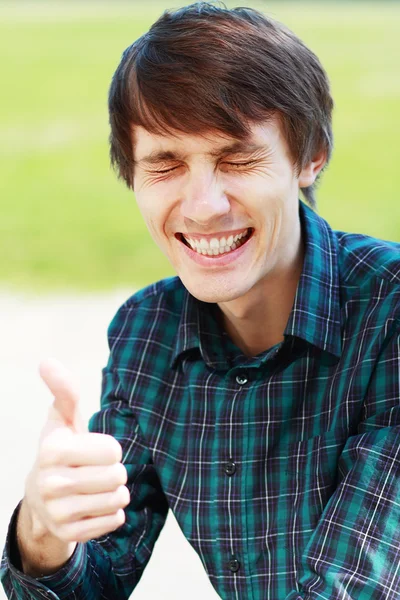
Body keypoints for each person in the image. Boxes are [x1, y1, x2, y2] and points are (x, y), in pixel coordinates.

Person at [2, 2, 400, 599]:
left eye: (236, 158)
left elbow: (352, 589)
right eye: (165, 165)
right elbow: (94, 581)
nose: (202, 205)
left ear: (310, 155)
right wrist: (44, 530)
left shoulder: (388, 311)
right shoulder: (147, 332)